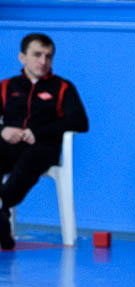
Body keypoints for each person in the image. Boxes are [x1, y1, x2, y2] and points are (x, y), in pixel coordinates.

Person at [0, 33, 88, 251]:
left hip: (42, 148)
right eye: (37, 55)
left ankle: (2, 203)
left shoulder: (63, 87)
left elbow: (80, 121)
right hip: (10, 146)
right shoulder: (7, 86)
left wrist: (38, 132)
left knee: (30, 160)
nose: (43, 61)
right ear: (22, 57)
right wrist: (3, 130)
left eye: (48, 56)